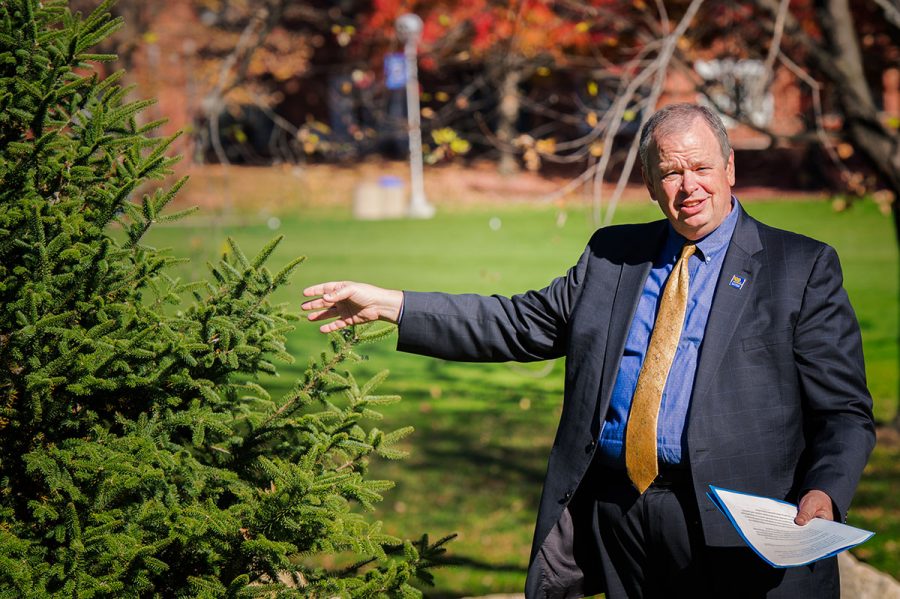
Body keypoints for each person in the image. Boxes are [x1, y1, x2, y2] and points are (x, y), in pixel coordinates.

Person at [301, 103, 875, 598]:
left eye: (701, 167)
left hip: (737, 530)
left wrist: (826, 488)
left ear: (729, 168)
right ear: (650, 184)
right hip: (619, 516)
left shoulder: (798, 267)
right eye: (670, 173)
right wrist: (392, 304)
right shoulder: (612, 257)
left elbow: (845, 413)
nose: (689, 186)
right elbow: (516, 323)